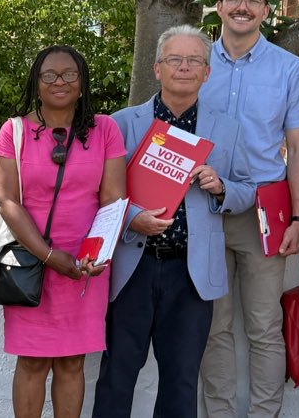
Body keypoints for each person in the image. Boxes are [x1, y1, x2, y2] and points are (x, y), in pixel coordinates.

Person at [92, 26, 254, 418]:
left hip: (191, 272)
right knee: (117, 374)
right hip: (133, 266)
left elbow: (248, 188)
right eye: (174, 60)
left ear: (207, 72)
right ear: (157, 68)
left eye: (194, 60)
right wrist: (133, 218)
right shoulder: (121, 123)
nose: (184, 67)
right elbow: (98, 191)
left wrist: (221, 188)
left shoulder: (227, 129)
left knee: (181, 379)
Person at [198, 0, 299, 418]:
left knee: (265, 328)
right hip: (203, 210)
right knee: (214, 327)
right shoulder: (195, 62)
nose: (242, 7)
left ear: (266, 11)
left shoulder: (288, 70)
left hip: (263, 213)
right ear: (221, 6)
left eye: (252, 0)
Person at [0, 45, 123, 418]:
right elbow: (8, 202)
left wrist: (91, 257)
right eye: (49, 75)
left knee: (71, 362)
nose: (59, 82)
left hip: (86, 265)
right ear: (36, 83)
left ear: (82, 84)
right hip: (30, 263)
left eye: (70, 74)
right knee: (32, 362)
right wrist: (50, 256)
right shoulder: (13, 131)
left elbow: (113, 201)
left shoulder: (105, 130)